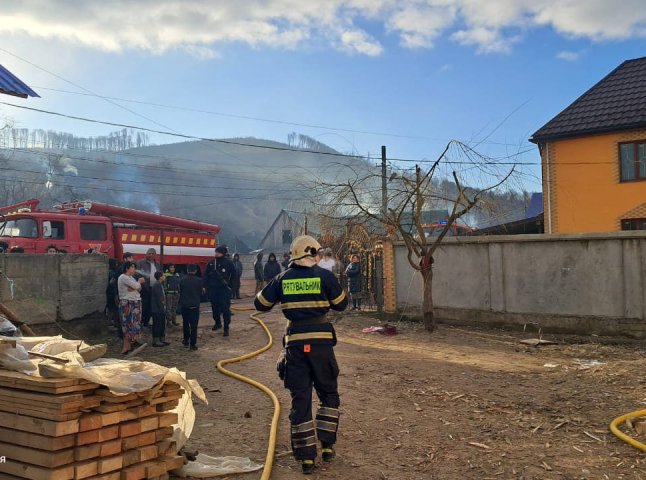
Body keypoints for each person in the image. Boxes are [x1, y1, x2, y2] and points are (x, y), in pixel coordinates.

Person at [255, 235, 347, 475]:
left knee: (301, 398)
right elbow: (341, 304)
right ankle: (327, 446)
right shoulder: (325, 276)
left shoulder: (282, 278)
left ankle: (307, 458)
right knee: (328, 393)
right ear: (313, 254)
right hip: (322, 346)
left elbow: (260, 304)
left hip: (295, 346)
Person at [204, 245, 235, 336]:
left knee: (225, 309)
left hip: (224, 290)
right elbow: (206, 276)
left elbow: (234, 276)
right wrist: (205, 286)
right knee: (215, 308)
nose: (216, 253)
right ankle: (217, 323)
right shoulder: (211, 263)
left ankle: (226, 328)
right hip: (213, 289)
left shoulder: (228, 263)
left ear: (223, 253)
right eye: (216, 252)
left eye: (218, 252)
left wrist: (232, 287)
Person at [117, 261, 146, 355]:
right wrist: (138, 283)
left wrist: (135, 286)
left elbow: (139, 288)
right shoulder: (123, 277)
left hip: (135, 302)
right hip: (128, 304)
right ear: (127, 268)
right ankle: (126, 347)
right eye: (132, 267)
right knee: (128, 325)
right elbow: (137, 286)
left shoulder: (131, 278)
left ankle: (128, 347)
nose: (134, 269)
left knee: (135, 324)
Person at [136, 248, 162, 328]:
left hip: (155, 288)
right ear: (146, 254)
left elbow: (161, 274)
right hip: (145, 288)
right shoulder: (140, 263)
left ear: (155, 255)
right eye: (149, 253)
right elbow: (137, 274)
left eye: (152, 254)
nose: (151, 255)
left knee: (152, 305)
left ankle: (147, 322)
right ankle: (142, 322)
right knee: (144, 305)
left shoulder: (157, 264)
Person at [180, 264, 203, 351]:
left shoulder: (182, 280)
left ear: (187, 270)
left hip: (185, 305)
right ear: (196, 271)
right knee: (194, 326)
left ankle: (186, 340)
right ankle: (193, 344)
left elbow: (180, 291)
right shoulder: (199, 281)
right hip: (195, 306)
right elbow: (201, 292)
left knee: (185, 324)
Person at [151, 271, 170, 347]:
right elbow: (159, 298)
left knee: (162, 324)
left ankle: (161, 339)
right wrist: (162, 307)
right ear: (160, 277)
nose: (165, 277)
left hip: (159, 308)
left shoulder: (159, 284)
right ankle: (156, 340)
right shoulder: (157, 285)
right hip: (157, 309)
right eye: (163, 275)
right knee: (157, 324)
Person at [106, 258, 121, 338]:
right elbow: (112, 283)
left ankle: (110, 322)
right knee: (115, 309)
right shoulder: (113, 273)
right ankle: (115, 323)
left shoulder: (108, 271)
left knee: (110, 309)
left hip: (109, 293)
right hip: (112, 293)